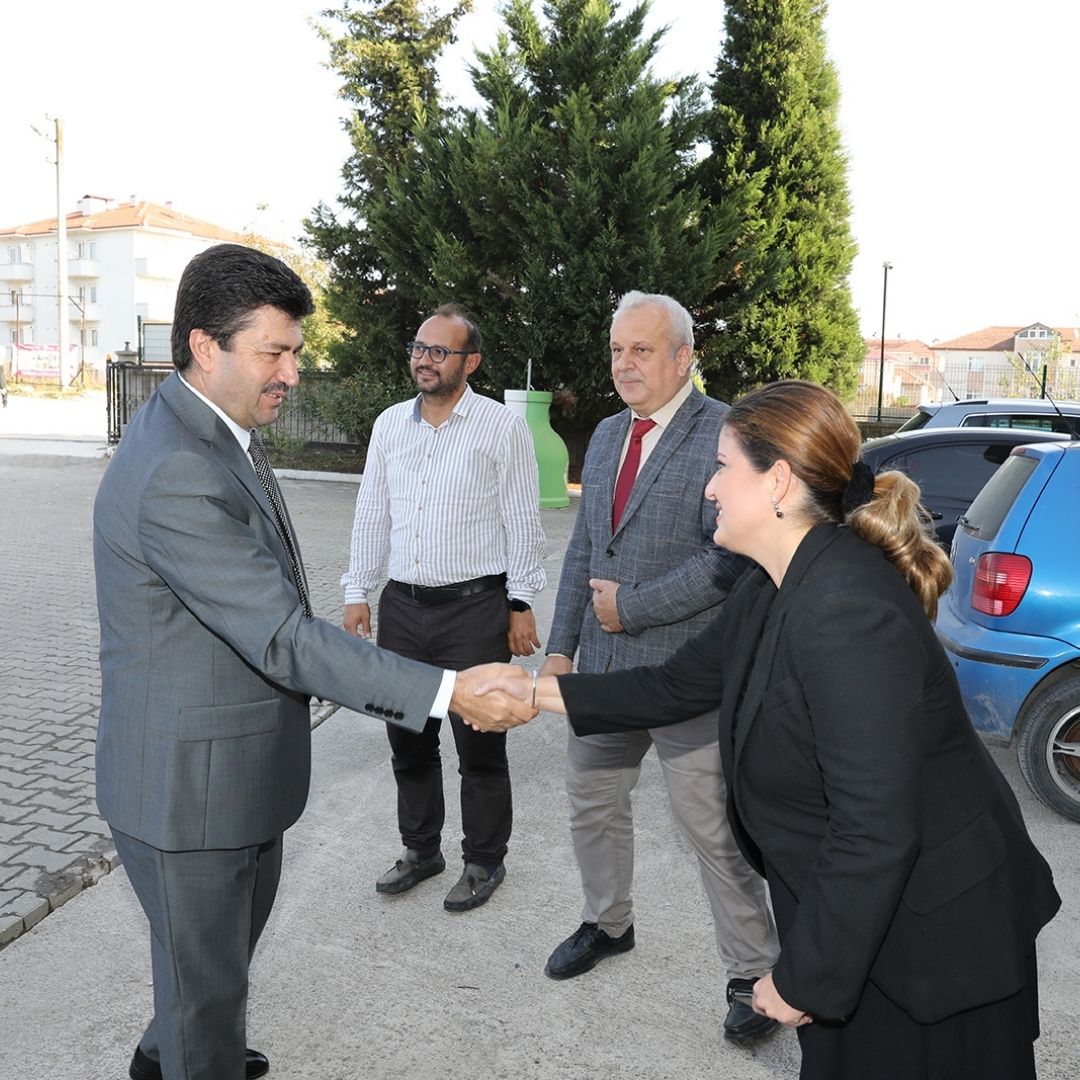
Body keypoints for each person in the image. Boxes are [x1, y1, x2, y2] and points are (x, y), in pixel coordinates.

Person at [478, 379, 1061, 1080]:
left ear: (778, 481)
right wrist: (533, 693)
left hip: (934, 933)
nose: (709, 489)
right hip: (867, 917)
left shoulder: (848, 610)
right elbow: (675, 684)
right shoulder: (774, 581)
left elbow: (874, 825)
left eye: (723, 467)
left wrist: (803, 978)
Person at [93, 245, 529, 1080]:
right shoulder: (178, 469)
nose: (293, 372)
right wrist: (448, 689)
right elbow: (285, 636)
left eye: (295, 351)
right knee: (204, 1001)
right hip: (192, 799)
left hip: (232, 782)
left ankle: (180, 1051)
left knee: (206, 982)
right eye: (275, 352)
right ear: (203, 346)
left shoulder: (214, 431)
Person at [539, 291, 779, 1041]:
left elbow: (730, 557)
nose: (625, 364)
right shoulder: (609, 432)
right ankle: (609, 925)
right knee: (592, 804)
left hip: (687, 678)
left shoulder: (726, 433)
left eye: (642, 350)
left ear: (683, 357)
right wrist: (561, 645)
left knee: (710, 830)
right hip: (605, 673)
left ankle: (754, 975)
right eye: (617, 350)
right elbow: (586, 549)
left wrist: (633, 607)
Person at [341, 303, 546, 912]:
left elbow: (521, 521)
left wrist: (521, 602)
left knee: (479, 744)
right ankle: (421, 850)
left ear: (471, 361)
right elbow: (372, 511)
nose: (424, 359)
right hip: (402, 609)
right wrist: (358, 589)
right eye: (419, 347)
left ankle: (484, 860)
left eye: (439, 351)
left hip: (474, 610)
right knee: (409, 741)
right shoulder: (389, 426)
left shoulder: (501, 427)